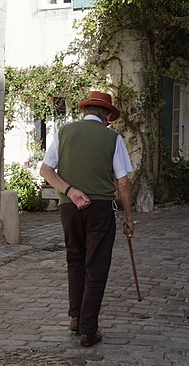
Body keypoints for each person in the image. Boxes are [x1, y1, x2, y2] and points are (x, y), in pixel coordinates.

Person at [40, 91, 134, 347]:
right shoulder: (112, 138)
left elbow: (46, 170)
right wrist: (128, 216)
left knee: (75, 260)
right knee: (97, 266)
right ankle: (88, 329)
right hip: (100, 208)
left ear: (85, 112)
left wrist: (69, 191)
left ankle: (75, 318)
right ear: (106, 117)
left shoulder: (64, 132)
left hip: (69, 207)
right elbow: (123, 182)